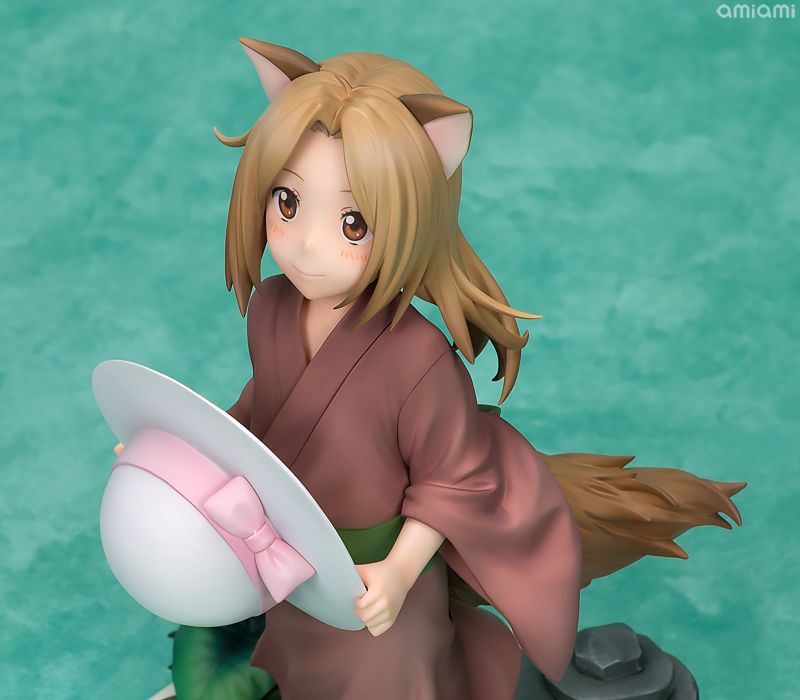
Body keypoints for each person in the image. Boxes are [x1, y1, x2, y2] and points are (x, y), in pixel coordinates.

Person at [208, 37, 745, 700]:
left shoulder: (416, 358)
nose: (307, 245)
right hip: (295, 566)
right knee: (287, 665)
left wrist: (399, 573)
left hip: (376, 585)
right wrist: (179, 449)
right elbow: (260, 409)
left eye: (352, 222)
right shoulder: (272, 307)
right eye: (287, 203)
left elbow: (452, 483)